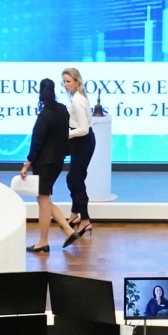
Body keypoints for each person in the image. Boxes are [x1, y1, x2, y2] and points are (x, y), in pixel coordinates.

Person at [21, 78, 76, 252]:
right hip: (58, 161)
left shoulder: (45, 114)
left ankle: (43, 242)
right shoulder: (62, 110)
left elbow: (37, 142)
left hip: (44, 163)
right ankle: (68, 230)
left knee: (43, 201)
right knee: (44, 199)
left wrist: (27, 163)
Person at [61, 68, 95, 247]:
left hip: (82, 142)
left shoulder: (78, 101)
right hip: (79, 142)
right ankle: (75, 214)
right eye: (64, 82)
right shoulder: (76, 98)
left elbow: (84, 129)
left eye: (68, 81)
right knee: (72, 179)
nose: (65, 85)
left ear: (77, 81)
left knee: (76, 181)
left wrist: (64, 135)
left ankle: (85, 220)